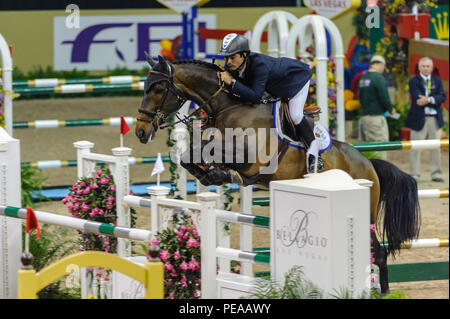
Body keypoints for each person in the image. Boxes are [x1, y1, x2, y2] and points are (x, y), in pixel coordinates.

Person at [217, 33, 323, 173]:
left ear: (244, 54)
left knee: (295, 115)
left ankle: (315, 155)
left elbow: (255, 96)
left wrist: (232, 82)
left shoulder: (259, 65)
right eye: (226, 58)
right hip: (275, 86)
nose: (228, 62)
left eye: (232, 57)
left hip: (296, 80)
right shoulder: (234, 65)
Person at [405, 57, 447, 183]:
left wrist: (428, 100)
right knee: (416, 147)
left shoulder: (437, 80)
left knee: (436, 147)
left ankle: (436, 173)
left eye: (428, 66)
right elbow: (417, 98)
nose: (425, 68)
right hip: (418, 119)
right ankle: (415, 174)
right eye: (423, 66)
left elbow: (442, 96)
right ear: (419, 68)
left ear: (431, 68)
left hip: (434, 119)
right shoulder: (414, 81)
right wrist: (433, 99)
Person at [358, 55, 397, 160]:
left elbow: (360, 98)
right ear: (379, 64)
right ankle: (379, 173)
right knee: (379, 147)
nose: (383, 69)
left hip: (365, 117)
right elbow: (384, 97)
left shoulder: (363, 78)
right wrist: (390, 109)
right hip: (375, 118)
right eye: (383, 66)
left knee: (370, 146)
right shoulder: (378, 78)